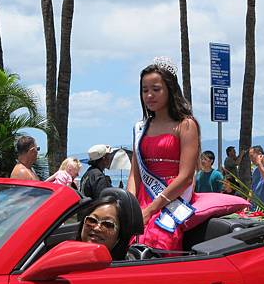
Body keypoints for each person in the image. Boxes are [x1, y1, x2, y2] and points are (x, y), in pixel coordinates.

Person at [127, 58, 199, 251]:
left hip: (172, 198)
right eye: (145, 90)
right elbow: (135, 173)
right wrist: (130, 206)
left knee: (156, 240)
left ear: (170, 89)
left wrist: (151, 209)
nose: (149, 95)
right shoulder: (140, 128)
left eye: (156, 89)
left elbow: (185, 177)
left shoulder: (186, 125)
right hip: (141, 200)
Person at [78, 188, 143, 260]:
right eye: (91, 220)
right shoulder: (69, 254)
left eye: (107, 224)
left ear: (119, 236)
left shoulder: (127, 266)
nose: (96, 228)